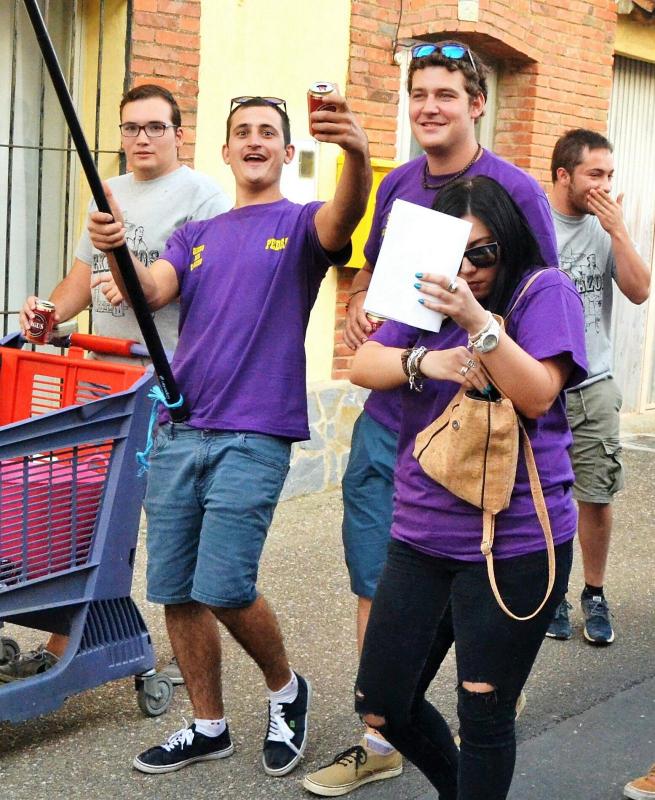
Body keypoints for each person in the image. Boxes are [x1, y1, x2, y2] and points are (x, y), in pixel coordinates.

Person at [87, 92, 371, 777]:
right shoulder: (195, 234)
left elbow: (345, 216)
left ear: (286, 151)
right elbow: (150, 291)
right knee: (176, 589)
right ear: (225, 150)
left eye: (267, 132)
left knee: (223, 584)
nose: (253, 141)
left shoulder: (300, 224)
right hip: (181, 428)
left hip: (255, 432)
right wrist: (116, 248)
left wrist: (356, 153)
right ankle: (208, 725)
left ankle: (285, 688)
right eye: (242, 132)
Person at [304, 40, 557, 796]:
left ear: (477, 103)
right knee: (376, 582)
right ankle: (379, 734)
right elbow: (378, 289)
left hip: (481, 450)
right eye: (418, 94)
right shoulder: (399, 186)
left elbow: (537, 308)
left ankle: (455, 712)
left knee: (483, 693)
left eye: (446, 94)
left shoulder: (515, 193)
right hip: (393, 422)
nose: (429, 107)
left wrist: (478, 361)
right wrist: (362, 308)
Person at [347, 175, 586, 800]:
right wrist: (426, 360)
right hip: (421, 531)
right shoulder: (425, 295)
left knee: (484, 713)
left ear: (508, 241)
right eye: (455, 254)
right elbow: (363, 364)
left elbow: (538, 393)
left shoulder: (543, 291)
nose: (468, 269)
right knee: (381, 703)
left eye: (482, 252)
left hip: (515, 538)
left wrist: (477, 321)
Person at [4, 84, 230, 687]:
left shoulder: (203, 196)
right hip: (105, 380)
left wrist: (133, 282)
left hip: (171, 381)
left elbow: (204, 285)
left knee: (170, 517)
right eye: (132, 128)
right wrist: (49, 316)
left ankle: (188, 646)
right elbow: (80, 280)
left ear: (178, 133)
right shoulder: (110, 193)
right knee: (92, 507)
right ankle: (71, 635)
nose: (142, 138)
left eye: (155, 127)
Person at [546, 129, 650, 645]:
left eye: (610, 175)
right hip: (539, 385)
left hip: (595, 384)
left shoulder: (605, 228)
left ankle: (594, 592)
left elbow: (639, 290)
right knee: (542, 498)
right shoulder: (534, 225)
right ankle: (552, 595)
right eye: (595, 174)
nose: (605, 186)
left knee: (596, 494)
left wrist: (619, 232)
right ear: (564, 175)